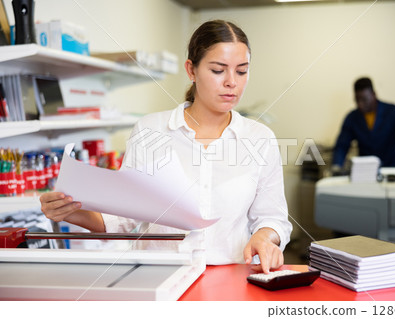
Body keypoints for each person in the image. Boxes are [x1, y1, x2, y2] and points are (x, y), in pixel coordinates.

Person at [40, 20, 292, 274]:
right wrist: (68, 211)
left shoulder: (261, 138)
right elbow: (123, 218)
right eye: (218, 70)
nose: (231, 82)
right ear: (191, 71)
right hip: (158, 276)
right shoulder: (151, 130)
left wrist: (265, 237)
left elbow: (273, 218)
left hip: (230, 279)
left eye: (241, 71)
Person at [332, 77, 395, 172]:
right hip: (366, 173)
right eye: (357, 100)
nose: (360, 104)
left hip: (393, 170)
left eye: (364, 99)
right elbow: (342, 146)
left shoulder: (394, 112)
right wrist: (336, 167)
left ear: (374, 95)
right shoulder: (352, 118)